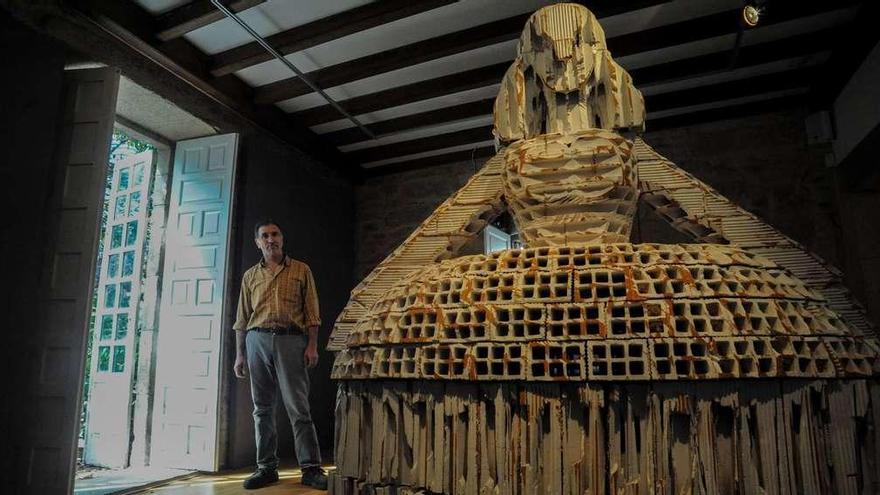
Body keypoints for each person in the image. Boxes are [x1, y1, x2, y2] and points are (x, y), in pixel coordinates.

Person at [232, 219, 327, 490]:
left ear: (282, 239)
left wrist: (312, 345)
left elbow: (312, 312)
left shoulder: (301, 270)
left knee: (298, 408)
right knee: (261, 408)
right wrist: (240, 354)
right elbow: (242, 318)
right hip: (256, 340)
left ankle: (310, 468)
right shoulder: (250, 276)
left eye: (275, 234)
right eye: (265, 235)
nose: (270, 239)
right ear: (257, 242)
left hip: (291, 341)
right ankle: (266, 468)